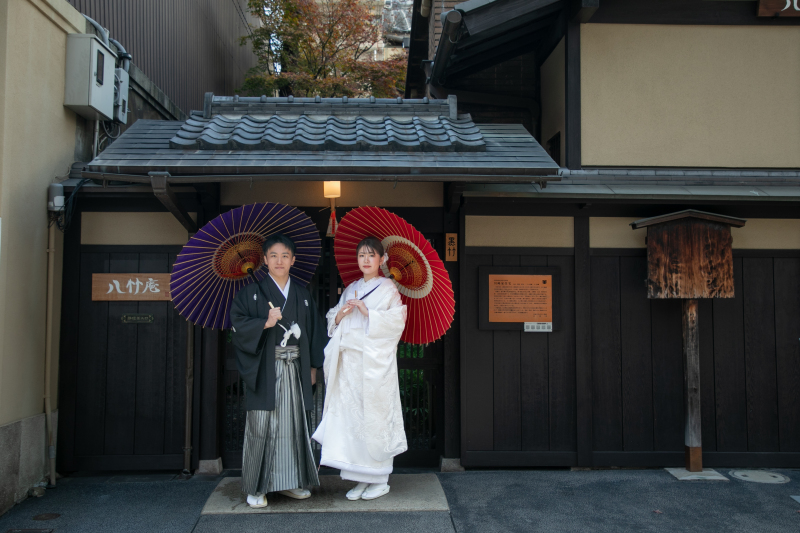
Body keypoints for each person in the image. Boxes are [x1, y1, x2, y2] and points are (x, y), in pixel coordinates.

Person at [229, 233, 327, 508]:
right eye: (273, 255)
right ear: (264, 261)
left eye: (285, 256)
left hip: (295, 368)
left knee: (294, 425)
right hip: (265, 369)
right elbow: (237, 326)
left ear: (293, 260)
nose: (279, 260)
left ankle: (291, 482)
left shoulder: (303, 295)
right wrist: (264, 322)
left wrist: (312, 367)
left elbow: (314, 333)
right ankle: (257, 487)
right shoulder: (251, 294)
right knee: (262, 425)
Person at [312, 236, 408, 501]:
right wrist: (341, 314)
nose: (365, 260)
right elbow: (333, 317)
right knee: (352, 420)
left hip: (374, 365)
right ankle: (359, 477)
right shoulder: (351, 287)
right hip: (350, 365)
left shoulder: (388, 288)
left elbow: (397, 321)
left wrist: (369, 313)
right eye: (361, 256)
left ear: (381, 259)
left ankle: (379, 479)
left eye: (371, 255)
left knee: (373, 418)